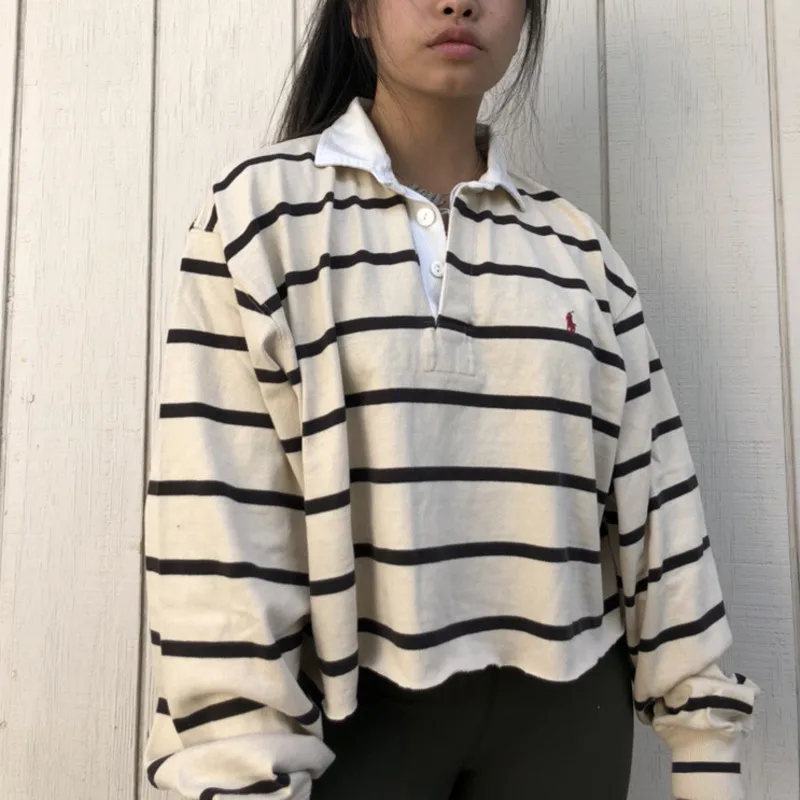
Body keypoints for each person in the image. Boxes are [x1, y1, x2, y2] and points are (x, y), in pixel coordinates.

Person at [142, 1, 760, 799]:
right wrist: (235, 766)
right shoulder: (261, 220)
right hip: (349, 719)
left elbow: (659, 504)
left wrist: (705, 744)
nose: (458, 2)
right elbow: (218, 521)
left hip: (569, 720)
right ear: (357, 13)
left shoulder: (578, 251)